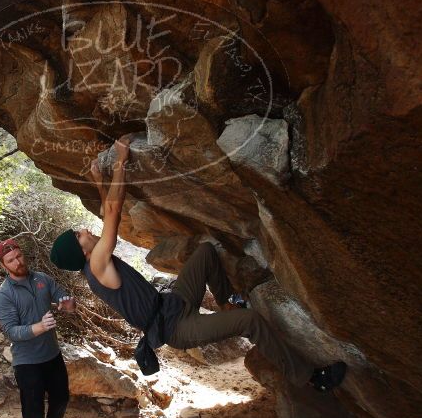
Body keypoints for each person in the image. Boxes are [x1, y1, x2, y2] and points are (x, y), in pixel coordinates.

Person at [49, 135, 346, 392]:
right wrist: (120, 161)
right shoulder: (97, 266)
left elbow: (105, 209)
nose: (85, 230)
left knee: (204, 252)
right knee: (251, 322)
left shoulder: (94, 261)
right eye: (79, 234)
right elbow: (112, 211)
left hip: (173, 303)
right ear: (81, 251)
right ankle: (310, 378)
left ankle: (228, 299)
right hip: (177, 327)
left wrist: (98, 181)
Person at [0, 238, 76, 418]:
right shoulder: (3, 295)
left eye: (19, 256)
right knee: (33, 414)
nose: (17, 262)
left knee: (61, 399)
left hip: (52, 354)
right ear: (4, 265)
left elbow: (63, 297)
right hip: (27, 363)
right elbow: (12, 332)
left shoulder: (42, 279)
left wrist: (67, 305)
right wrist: (39, 327)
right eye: (11, 260)